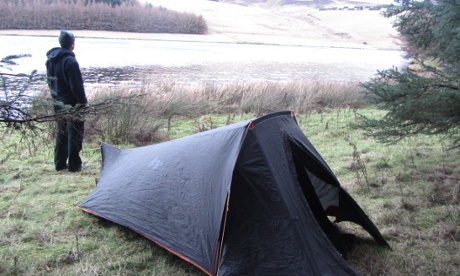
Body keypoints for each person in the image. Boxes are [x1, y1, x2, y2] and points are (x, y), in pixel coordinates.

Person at [46, 30, 87, 172]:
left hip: (57, 102)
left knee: (61, 133)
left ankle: (59, 164)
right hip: (73, 104)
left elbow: (50, 82)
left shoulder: (50, 60)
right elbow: (77, 86)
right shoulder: (71, 61)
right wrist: (82, 103)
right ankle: (74, 166)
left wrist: (55, 98)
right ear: (72, 45)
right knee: (75, 134)